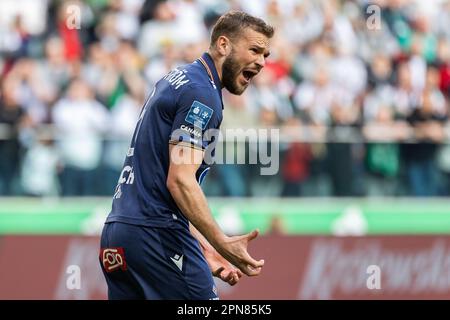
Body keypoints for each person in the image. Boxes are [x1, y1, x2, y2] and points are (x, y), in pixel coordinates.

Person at [99, 11, 274, 300]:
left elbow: (164, 186)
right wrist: (221, 243)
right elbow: (179, 181)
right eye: (254, 50)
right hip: (157, 235)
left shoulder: (178, 79)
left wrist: (204, 250)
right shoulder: (201, 94)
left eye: (266, 54)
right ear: (223, 45)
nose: (262, 62)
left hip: (119, 234)